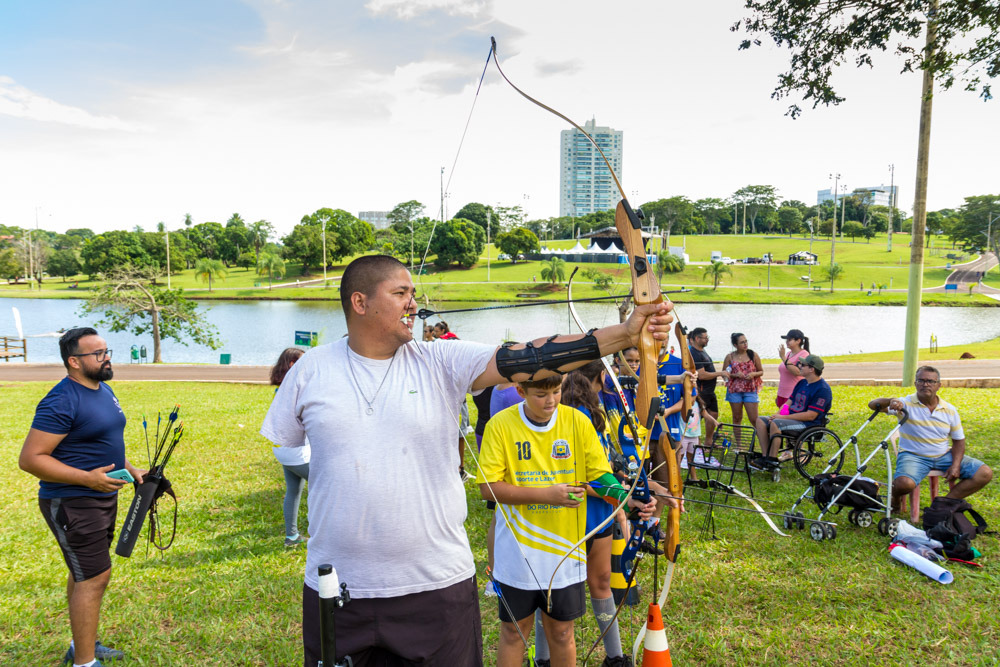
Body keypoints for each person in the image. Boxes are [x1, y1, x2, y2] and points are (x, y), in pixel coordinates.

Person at [259, 254, 673, 666]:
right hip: (338, 588)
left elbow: (530, 357)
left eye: (413, 293)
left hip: (437, 584)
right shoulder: (311, 370)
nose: (413, 304)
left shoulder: (440, 360)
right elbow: (289, 446)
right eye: (400, 293)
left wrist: (625, 332)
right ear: (360, 302)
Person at [477, 374, 655, 667]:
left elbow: (598, 474)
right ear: (520, 390)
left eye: (556, 392)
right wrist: (547, 494)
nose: (550, 401)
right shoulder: (501, 424)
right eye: (540, 394)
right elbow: (488, 487)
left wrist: (627, 498)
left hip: (564, 551)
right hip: (517, 551)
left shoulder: (576, 420)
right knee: (513, 633)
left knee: (561, 632)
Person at [19, 327, 146, 667]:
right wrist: (88, 479)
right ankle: (84, 663)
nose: (107, 358)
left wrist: (132, 470)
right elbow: (31, 459)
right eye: (98, 354)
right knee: (94, 577)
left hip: (101, 494)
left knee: (83, 573)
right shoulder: (61, 400)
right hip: (73, 500)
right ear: (74, 362)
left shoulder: (102, 389)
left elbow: (100, 438)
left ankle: (81, 645)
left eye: (107, 351)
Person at [869, 366, 992, 513]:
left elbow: (959, 440)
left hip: (943, 455)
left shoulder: (950, 410)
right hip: (913, 456)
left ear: (938, 385)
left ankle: (942, 505)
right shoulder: (904, 404)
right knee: (903, 484)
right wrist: (891, 401)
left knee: (984, 473)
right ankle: (895, 499)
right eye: (921, 380)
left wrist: (956, 465)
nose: (925, 384)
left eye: (930, 381)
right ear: (915, 384)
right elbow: (872, 405)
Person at [752, 354, 832, 470]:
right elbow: (789, 402)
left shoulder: (822, 389)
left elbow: (810, 416)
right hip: (790, 419)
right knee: (760, 421)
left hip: (808, 425)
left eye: (802, 365)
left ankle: (772, 460)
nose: (799, 366)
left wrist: (780, 419)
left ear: (811, 369)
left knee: (776, 424)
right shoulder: (802, 383)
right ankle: (766, 456)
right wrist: (777, 415)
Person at [269, 347, 310, 547]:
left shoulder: (282, 388)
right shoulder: (297, 388)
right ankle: (323, 536)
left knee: (294, 490)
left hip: (282, 450)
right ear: (293, 365)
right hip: (297, 452)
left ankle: (291, 537)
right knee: (328, 487)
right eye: (303, 361)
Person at [688, 327, 729, 445]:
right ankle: (695, 442)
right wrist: (720, 373)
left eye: (707, 337)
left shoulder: (702, 351)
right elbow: (701, 375)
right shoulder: (694, 354)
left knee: (714, 414)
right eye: (705, 338)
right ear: (697, 338)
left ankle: (708, 442)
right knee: (698, 417)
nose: (707, 340)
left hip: (710, 391)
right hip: (701, 391)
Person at [722, 333, 764, 440]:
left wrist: (753, 374)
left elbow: (761, 371)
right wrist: (734, 375)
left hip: (750, 390)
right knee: (737, 418)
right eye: (742, 342)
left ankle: (763, 442)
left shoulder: (753, 355)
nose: (745, 344)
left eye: (746, 341)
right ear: (735, 345)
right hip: (734, 390)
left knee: (754, 419)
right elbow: (724, 374)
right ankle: (739, 445)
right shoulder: (730, 357)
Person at [776, 329, 810, 409]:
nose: (787, 342)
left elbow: (797, 372)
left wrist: (783, 358)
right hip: (782, 393)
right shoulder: (788, 354)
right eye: (786, 340)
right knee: (780, 419)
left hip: (793, 395)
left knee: (788, 419)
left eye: (790, 339)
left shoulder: (804, 354)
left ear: (798, 341)